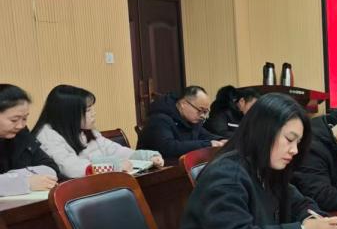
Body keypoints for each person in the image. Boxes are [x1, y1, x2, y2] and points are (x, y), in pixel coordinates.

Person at [171, 93, 337, 229]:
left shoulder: (265, 168)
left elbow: (299, 202)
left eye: (298, 143)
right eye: (289, 139)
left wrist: (311, 219)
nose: (295, 150)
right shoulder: (226, 176)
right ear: (263, 131)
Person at [33, 84, 164, 178]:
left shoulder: (85, 130)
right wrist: (113, 166)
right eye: (88, 110)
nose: (93, 113)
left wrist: (145, 157)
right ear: (69, 114)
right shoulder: (48, 136)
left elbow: (113, 150)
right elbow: (70, 167)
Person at [137, 86, 226, 164]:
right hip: (158, 171)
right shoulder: (159, 119)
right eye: (200, 110)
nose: (203, 116)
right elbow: (169, 148)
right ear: (183, 104)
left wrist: (221, 140)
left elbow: (204, 135)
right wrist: (208, 144)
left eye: (205, 112)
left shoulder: (191, 120)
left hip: (181, 167)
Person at [0, 84, 59, 196]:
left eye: (24, 118)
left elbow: (50, 167)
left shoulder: (20, 134)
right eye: (14, 120)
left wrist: (12, 179)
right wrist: (25, 182)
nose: (20, 125)